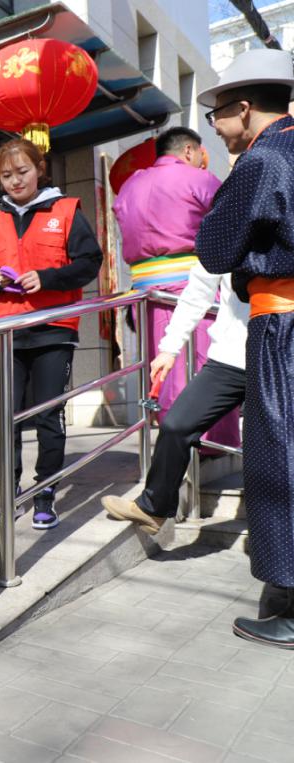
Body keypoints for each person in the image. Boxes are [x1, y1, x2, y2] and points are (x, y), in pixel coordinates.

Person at [193, 48, 294, 648]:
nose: (216, 128)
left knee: (279, 455)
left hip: (283, 324)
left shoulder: (262, 160)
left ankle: (292, 604)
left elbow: (213, 248)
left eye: (218, 115)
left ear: (245, 108)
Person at [0, 138, 103, 530]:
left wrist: (46, 278)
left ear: (39, 170)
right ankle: (8, 493)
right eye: (6, 175)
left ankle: (45, 493)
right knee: (5, 418)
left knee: (48, 416)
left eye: (22, 172)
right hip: (5, 331)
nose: (15, 181)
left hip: (53, 330)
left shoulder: (66, 210)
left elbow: (89, 262)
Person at [112, 127, 240, 449]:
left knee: (162, 367)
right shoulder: (200, 179)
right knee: (204, 367)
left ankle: (171, 442)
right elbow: (230, 224)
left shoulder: (130, 185)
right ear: (188, 151)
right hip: (193, 287)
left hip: (145, 292)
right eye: (199, 154)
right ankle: (206, 445)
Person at [102, 262, 248, 530]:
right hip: (230, 357)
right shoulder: (224, 236)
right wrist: (169, 348)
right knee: (177, 424)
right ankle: (153, 508)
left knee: (272, 445)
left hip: (282, 355)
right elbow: (198, 292)